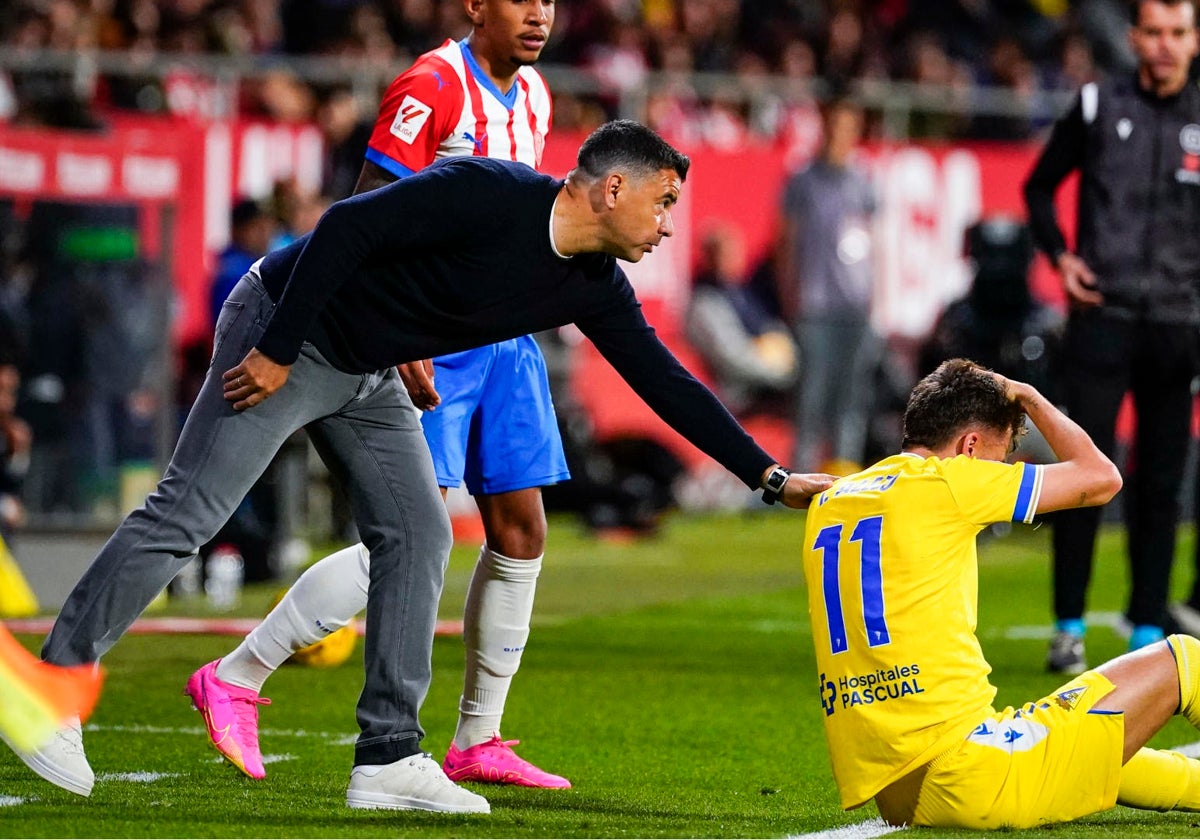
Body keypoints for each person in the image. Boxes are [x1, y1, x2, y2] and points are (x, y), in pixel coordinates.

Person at [8, 119, 833, 812]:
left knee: (418, 534)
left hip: (372, 369)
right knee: (191, 512)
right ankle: (54, 680)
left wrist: (769, 478)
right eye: (664, 202)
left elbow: (665, 383)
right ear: (612, 189)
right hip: (292, 331)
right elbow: (344, 228)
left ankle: (388, 756)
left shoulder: (594, 286)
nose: (668, 225)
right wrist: (276, 347)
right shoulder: (490, 191)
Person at [186, 0, 578, 790]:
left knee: (521, 529)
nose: (539, 14)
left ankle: (479, 738)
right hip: (437, 340)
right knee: (406, 537)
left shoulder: (534, 96)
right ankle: (238, 673)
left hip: (504, 337)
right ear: (475, 5)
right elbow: (364, 216)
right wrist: (399, 331)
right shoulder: (432, 84)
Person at [804, 357, 1200, 829]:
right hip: (971, 769)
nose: (1003, 468)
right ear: (969, 446)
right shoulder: (952, 481)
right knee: (1184, 659)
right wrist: (1030, 397)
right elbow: (1101, 477)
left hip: (902, 794)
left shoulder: (835, 496)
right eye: (999, 456)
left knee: (1101, 754)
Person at [1022, 0, 1200, 674]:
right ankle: (1067, 627)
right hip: (1102, 323)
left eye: (1176, 33)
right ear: (1134, 38)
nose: (1163, 45)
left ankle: (1145, 633)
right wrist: (1060, 256)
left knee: (1160, 484)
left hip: (1178, 329)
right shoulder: (1097, 104)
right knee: (1084, 480)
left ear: (1193, 40)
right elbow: (1038, 188)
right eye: (1152, 33)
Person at [780, 95, 883, 476]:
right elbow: (787, 241)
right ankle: (801, 478)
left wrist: (877, 296)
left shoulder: (863, 180)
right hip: (815, 305)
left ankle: (843, 478)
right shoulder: (803, 181)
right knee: (811, 397)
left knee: (851, 399)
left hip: (855, 305)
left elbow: (875, 243)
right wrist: (790, 291)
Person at [684, 224, 798, 417]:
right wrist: (782, 374)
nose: (735, 259)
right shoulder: (704, 304)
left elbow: (773, 330)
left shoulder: (743, 292)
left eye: (736, 252)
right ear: (710, 258)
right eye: (726, 254)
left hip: (767, 381)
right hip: (739, 391)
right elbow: (732, 358)